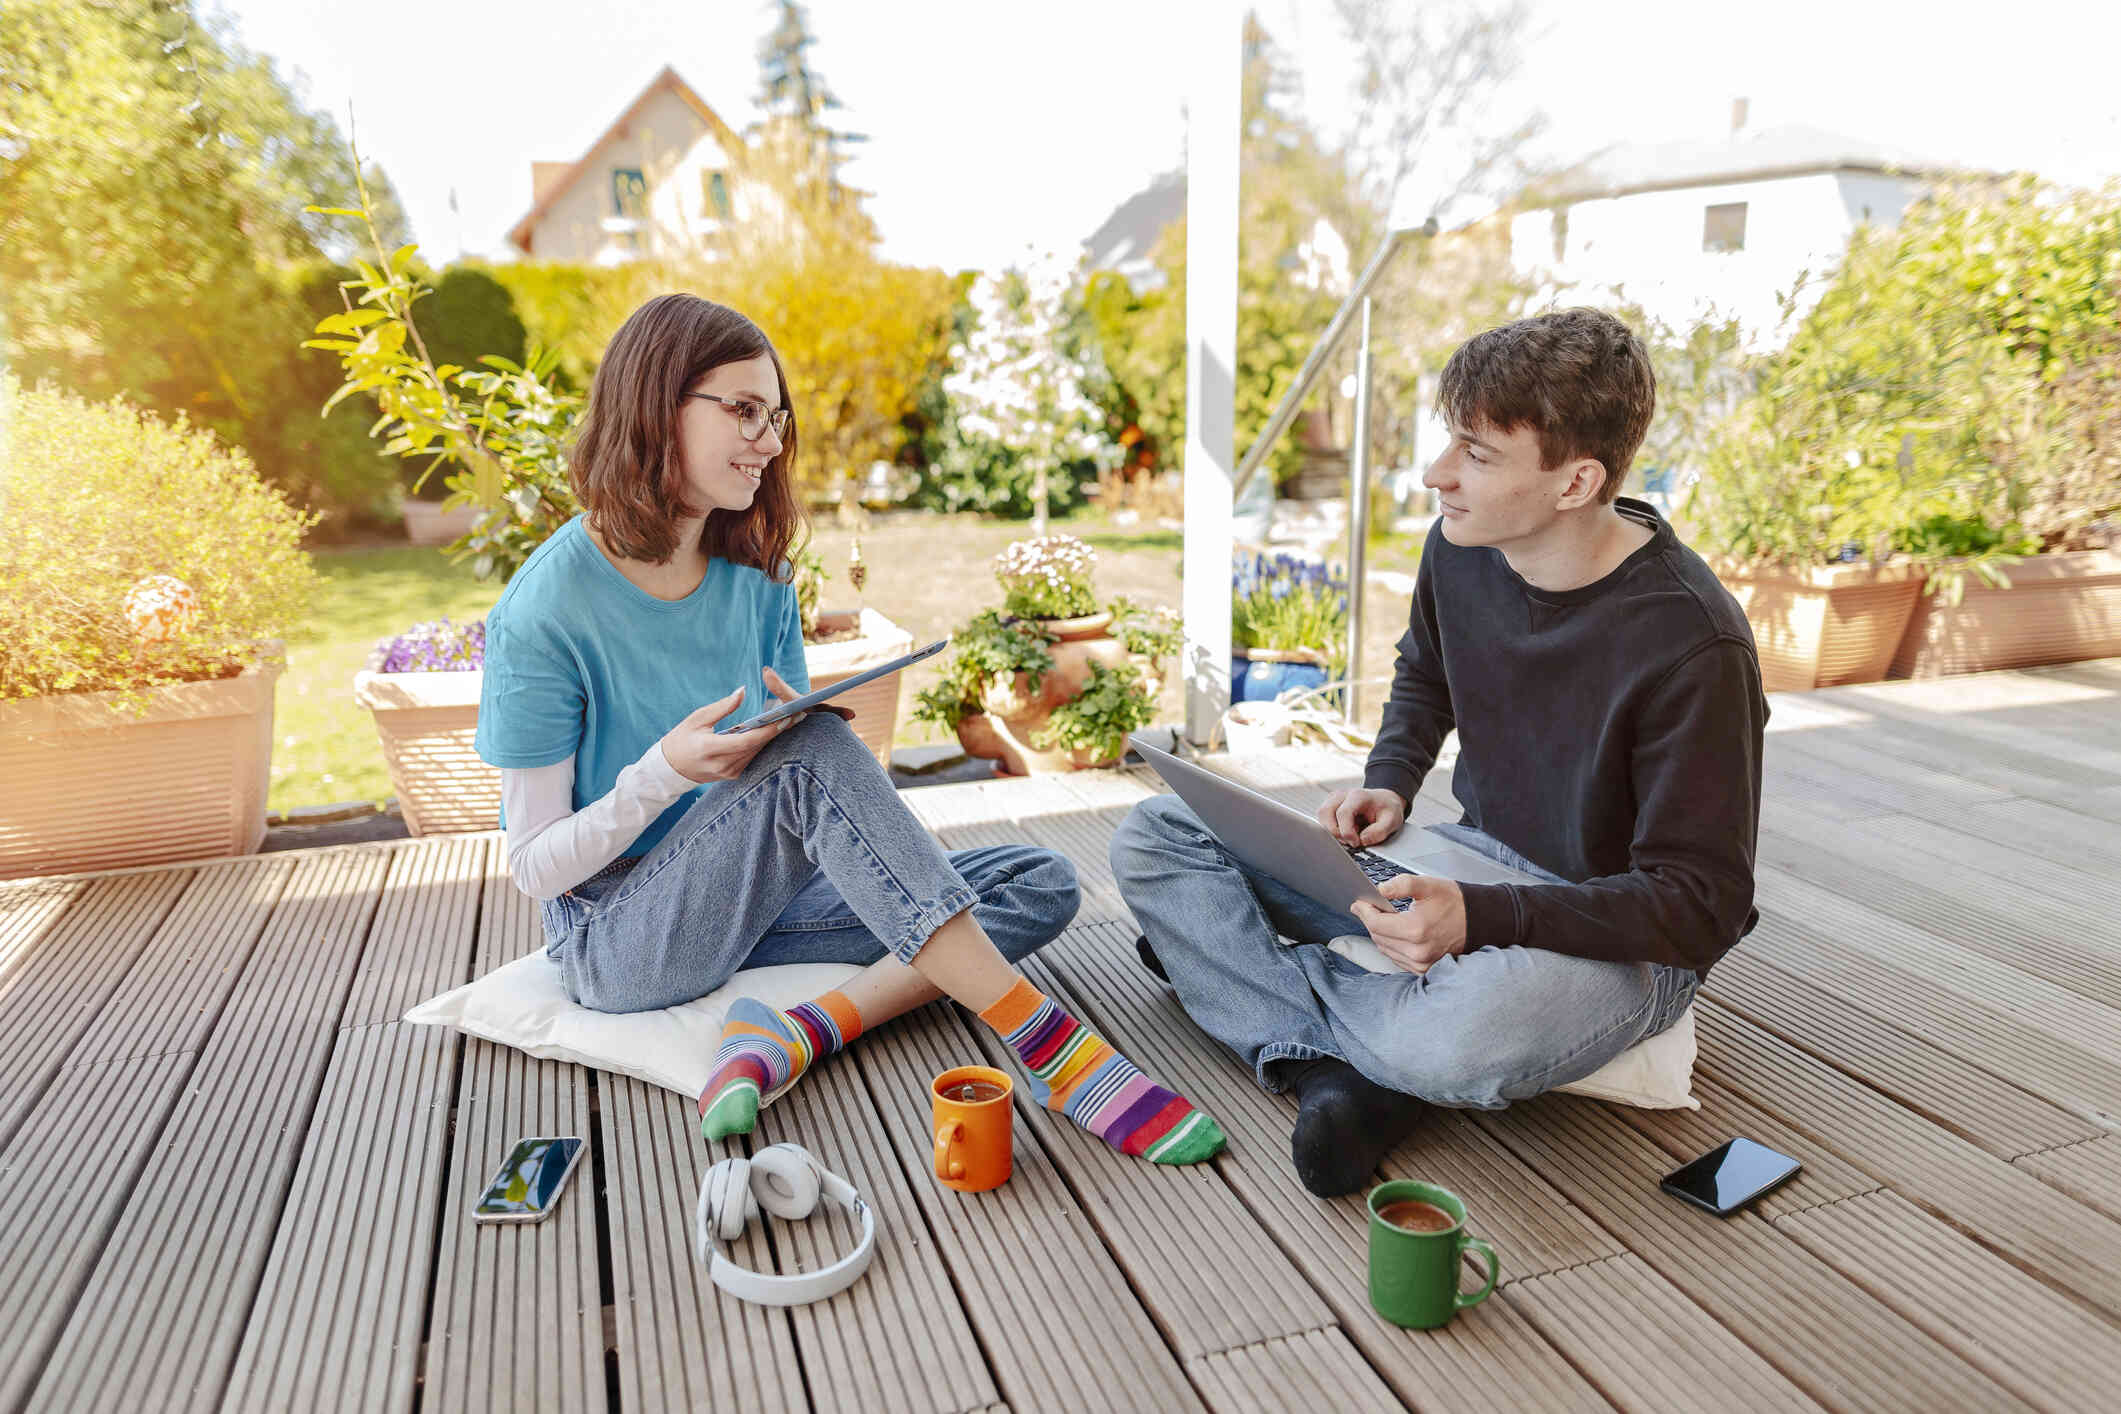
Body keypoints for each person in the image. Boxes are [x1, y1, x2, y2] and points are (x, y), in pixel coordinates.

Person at [476, 293, 1224, 1166]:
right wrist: (668, 771)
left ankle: (794, 1035)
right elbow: (533, 867)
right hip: (618, 936)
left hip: (761, 897)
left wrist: (769, 755)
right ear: (655, 406)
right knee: (814, 758)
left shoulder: (755, 573)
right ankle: (1048, 1043)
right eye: (744, 412)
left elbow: (790, 782)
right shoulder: (545, 610)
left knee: (1039, 878)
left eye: (775, 416)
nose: (771, 440)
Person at [1110, 307, 1765, 1196]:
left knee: (1454, 1041)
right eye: (1447, 442)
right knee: (1157, 834)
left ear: (1574, 483)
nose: (1435, 476)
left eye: (1477, 455)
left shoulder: (1694, 646)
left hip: (1615, 942)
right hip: (1468, 866)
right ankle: (1328, 1064)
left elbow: (1701, 908)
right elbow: (1427, 674)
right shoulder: (1463, 548)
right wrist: (1389, 783)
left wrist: (1483, 920)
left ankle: (1237, 980)